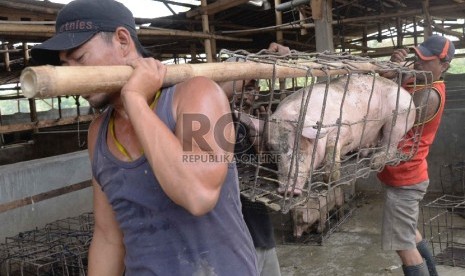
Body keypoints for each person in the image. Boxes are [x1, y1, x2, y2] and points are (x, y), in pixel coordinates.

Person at [30, 0, 259, 275]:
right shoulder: (99, 132)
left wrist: (135, 99)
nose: (72, 75)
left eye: (79, 58)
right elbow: (108, 237)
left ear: (122, 40)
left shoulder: (197, 94)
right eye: (64, 65)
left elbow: (198, 196)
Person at [378, 35, 455, 276]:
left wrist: (395, 76)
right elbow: (389, 84)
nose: (418, 62)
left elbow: (392, 120)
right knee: (410, 234)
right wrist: (393, 68)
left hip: (406, 179)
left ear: (444, 66)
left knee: (403, 246)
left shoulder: (428, 95)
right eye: (418, 56)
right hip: (405, 176)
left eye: (426, 59)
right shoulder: (417, 79)